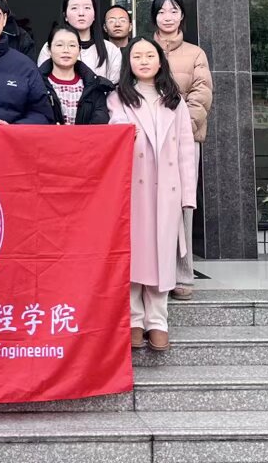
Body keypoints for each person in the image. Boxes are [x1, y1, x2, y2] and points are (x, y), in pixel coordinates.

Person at [107, 37, 196, 353]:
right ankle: (133, 318)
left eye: (149, 55)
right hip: (134, 187)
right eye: (137, 56)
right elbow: (114, 128)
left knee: (162, 254)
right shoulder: (118, 97)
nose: (143, 61)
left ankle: (158, 321)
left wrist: (188, 195)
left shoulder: (175, 100)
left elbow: (186, 149)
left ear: (160, 61)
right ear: (128, 63)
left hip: (168, 188)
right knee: (135, 252)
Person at [150, 0, 213, 302]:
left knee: (183, 206)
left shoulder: (195, 53)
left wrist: (181, 126)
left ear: (182, 16)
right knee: (150, 206)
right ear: (154, 17)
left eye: (173, 10)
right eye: (161, 11)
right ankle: (152, 272)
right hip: (149, 141)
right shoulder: (144, 50)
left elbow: (202, 92)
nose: (167, 17)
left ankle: (182, 275)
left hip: (185, 140)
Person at [38, 21, 113, 125]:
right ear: (49, 49)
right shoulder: (36, 84)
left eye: (72, 45)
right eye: (59, 45)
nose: (66, 50)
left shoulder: (94, 86)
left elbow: (100, 123)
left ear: (79, 50)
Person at [37, 0, 122, 79]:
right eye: (74, 8)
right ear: (65, 16)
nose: (81, 13)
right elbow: (42, 81)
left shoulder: (111, 50)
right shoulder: (50, 47)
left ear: (94, 15)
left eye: (87, 8)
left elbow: (114, 84)